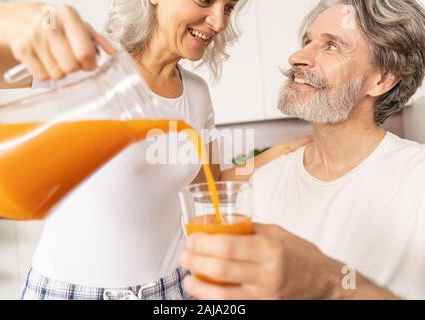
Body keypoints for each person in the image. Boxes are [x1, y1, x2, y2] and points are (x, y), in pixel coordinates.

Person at [0, 0, 311, 300]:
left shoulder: (196, 93)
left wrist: (278, 153)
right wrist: (6, 19)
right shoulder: (85, 66)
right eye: (206, 1)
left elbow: (205, 187)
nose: (219, 21)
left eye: (229, 8)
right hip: (72, 290)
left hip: (170, 290)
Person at [180, 0, 425, 300]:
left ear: (382, 79)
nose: (297, 56)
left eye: (331, 46)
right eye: (307, 41)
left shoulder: (417, 181)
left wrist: (328, 282)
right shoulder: (262, 184)